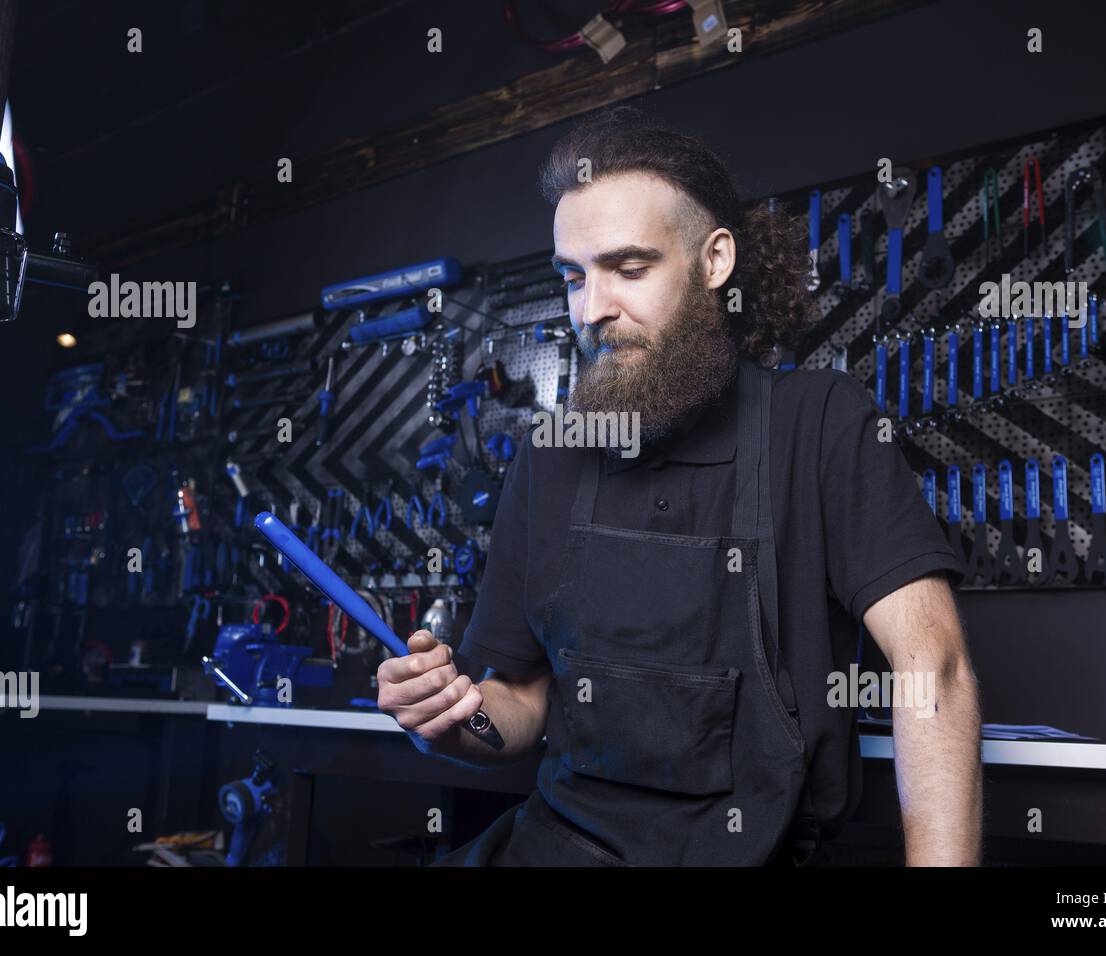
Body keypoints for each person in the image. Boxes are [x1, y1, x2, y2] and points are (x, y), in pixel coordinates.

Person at [378, 106, 981, 866]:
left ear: (714, 260)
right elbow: (520, 705)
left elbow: (935, 665)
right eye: (573, 277)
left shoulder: (819, 423)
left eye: (628, 269)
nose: (593, 309)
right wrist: (450, 721)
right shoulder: (554, 453)